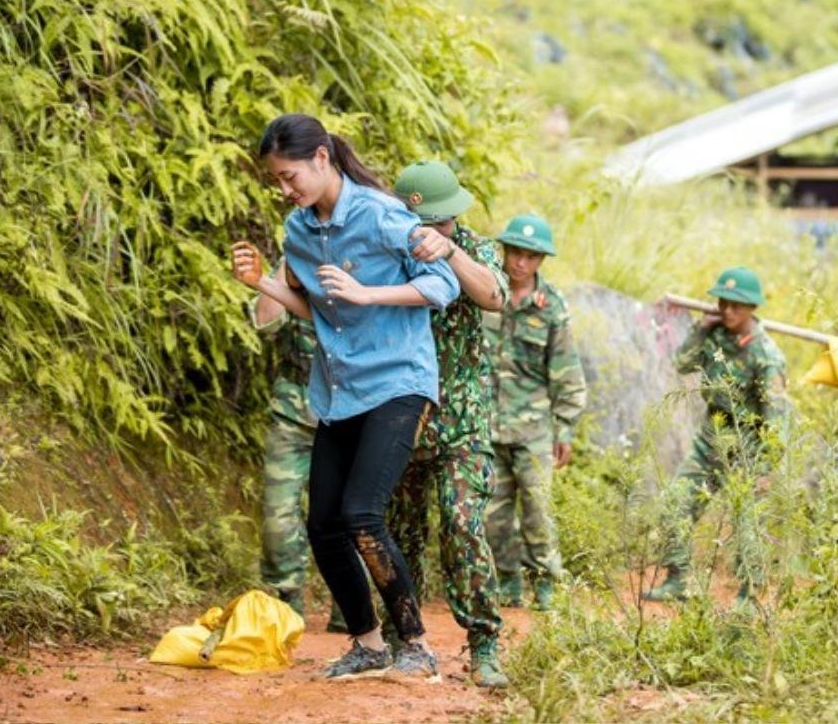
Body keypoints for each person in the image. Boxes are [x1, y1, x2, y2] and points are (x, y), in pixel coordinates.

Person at [231, 114, 459, 680]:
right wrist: (263, 282)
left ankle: (415, 646)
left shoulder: (382, 215)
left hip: (398, 382)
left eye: (290, 177)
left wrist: (367, 290)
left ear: (322, 160)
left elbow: (443, 286)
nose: (285, 190)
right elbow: (320, 310)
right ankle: (368, 644)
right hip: (338, 390)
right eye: (277, 181)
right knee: (323, 524)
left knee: (361, 514)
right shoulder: (298, 231)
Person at [385, 160, 510, 688]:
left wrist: (450, 251)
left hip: (461, 426)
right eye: (430, 225)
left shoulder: (475, 248)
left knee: (463, 526)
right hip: (399, 419)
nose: (437, 231)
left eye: (443, 223)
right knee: (397, 536)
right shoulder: (389, 250)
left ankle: (483, 644)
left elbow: (494, 296)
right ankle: (400, 640)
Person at [643, 266, 789, 605]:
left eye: (737, 306)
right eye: (723, 303)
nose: (728, 311)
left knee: (747, 525)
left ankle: (749, 600)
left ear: (753, 307)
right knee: (676, 503)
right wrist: (699, 328)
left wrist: (767, 467)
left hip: (749, 446)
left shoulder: (766, 355)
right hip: (712, 437)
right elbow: (682, 363)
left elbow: (775, 419)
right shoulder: (713, 334)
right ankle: (677, 581)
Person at [483, 214, 587, 611]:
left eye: (530, 256)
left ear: (540, 260)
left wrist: (566, 429)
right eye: (514, 253)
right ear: (504, 252)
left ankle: (545, 582)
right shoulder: (484, 294)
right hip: (487, 425)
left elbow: (566, 371)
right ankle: (507, 581)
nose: (520, 263)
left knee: (538, 510)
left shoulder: (551, 307)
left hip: (533, 429)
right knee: (493, 513)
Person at [247, 260, 346, 632]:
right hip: (294, 412)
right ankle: (286, 601)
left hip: (347, 413)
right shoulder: (292, 265)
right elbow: (266, 324)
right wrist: (286, 263)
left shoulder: (361, 255)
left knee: (345, 515)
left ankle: (348, 603)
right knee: (278, 513)